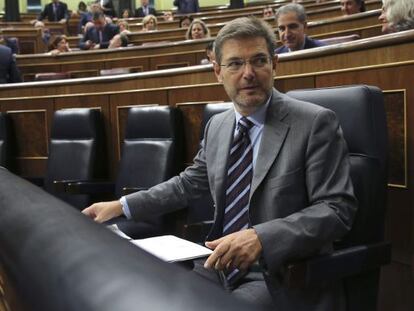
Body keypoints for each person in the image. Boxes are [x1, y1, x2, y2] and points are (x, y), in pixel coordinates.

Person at [82, 16, 357, 310]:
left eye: (259, 61)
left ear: (275, 63)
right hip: (217, 265)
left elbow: (336, 210)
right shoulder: (218, 125)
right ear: (217, 71)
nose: (248, 73)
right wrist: (120, 206)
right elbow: (188, 183)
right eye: (235, 64)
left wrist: (261, 238)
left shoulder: (314, 122)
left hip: (281, 275)